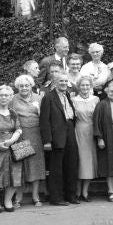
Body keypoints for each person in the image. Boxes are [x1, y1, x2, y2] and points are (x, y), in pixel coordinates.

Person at [40, 70, 80, 206]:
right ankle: (56, 198)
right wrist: (47, 141)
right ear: (55, 83)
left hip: (69, 133)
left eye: (65, 81)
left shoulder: (67, 95)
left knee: (71, 165)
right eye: (60, 81)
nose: (63, 83)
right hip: (56, 136)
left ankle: (71, 196)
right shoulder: (48, 97)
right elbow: (44, 121)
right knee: (56, 169)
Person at [0, 85, 23, 213]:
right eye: (1, 95)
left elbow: (18, 129)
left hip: (12, 148)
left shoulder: (13, 113)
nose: (4, 97)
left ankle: (8, 201)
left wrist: (12, 140)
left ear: (11, 97)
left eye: (7, 95)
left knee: (14, 175)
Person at [11, 75, 46, 207]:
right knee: (21, 166)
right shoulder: (13, 99)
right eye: (21, 86)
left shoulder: (39, 98)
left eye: (27, 85)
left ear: (31, 86)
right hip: (20, 135)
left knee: (36, 166)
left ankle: (36, 196)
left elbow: (44, 116)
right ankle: (18, 198)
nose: (24, 88)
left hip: (36, 135)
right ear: (17, 87)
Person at [71, 75, 99, 202]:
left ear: (91, 86)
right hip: (78, 131)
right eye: (82, 85)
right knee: (79, 161)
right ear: (78, 86)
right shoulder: (73, 100)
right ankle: (77, 192)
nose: (85, 87)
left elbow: (98, 118)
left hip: (91, 132)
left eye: (87, 85)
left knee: (89, 161)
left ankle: (85, 192)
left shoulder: (96, 99)